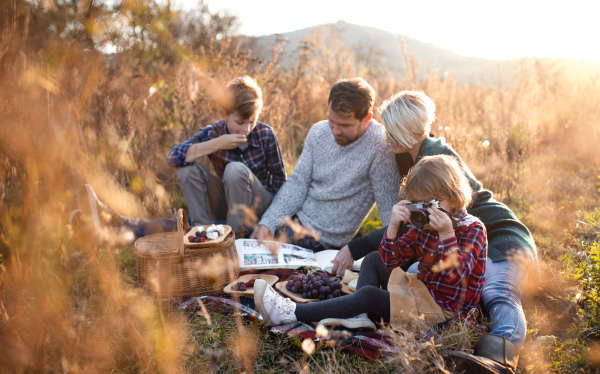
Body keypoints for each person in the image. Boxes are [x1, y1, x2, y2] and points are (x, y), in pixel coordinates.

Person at [329, 91, 537, 374]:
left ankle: (497, 360)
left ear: (411, 132)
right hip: (455, 242)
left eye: (392, 131)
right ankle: (416, 323)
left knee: (497, 293)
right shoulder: (411, 155)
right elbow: (409, 234)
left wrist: (355, 247)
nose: (386, 137)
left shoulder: (434, 158)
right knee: (419, 272)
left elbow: (406, 225)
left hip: (499, 235)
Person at [253, 154, 487, 334]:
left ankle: (291, 313)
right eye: (418, 204)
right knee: (374, 259)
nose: (424, 212)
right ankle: (360, 317)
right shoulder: (425, 224)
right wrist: (394, 228)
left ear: (454, 197)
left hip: (445, 313)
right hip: (424, 291)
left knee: (369, 295)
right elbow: (390, 260)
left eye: (430, 203)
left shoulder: (472, 229)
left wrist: (446, 234)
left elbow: (455, 277)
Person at [70, 76, 286, 244]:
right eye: (240, 122)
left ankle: (232, 241)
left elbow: (281, 186)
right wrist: (218, 143)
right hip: (226, 204)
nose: (247, 129)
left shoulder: (265, 134)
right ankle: (203, 234)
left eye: (252, 122)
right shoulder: (214, 132)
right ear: (223, 114)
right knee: (186, 170)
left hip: (258, 206)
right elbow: (173, 157)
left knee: (235, 170)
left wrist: (268, 223)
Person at [250, 77, 400, 251]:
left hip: (322, 244)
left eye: (344, 125)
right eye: (331, 121)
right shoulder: (318, 132)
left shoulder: (380, 148)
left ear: (366, 119)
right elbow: (297, 183)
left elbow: (389, 214)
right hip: (292, 223)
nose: (335, 130)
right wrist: (268, 223)